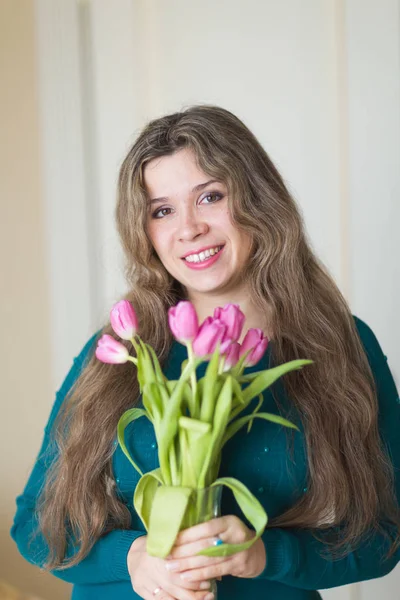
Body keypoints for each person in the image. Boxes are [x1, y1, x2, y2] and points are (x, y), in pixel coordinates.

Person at [11, 105, 400, 600]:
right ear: (145, 231)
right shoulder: (120, 352)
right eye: (162, 210)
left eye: (210, 196)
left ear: (258, 201)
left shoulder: (342, 345)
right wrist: (132, 559)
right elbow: (33, 527)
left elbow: (385, 535)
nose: (189, 228)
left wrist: (265, 555)